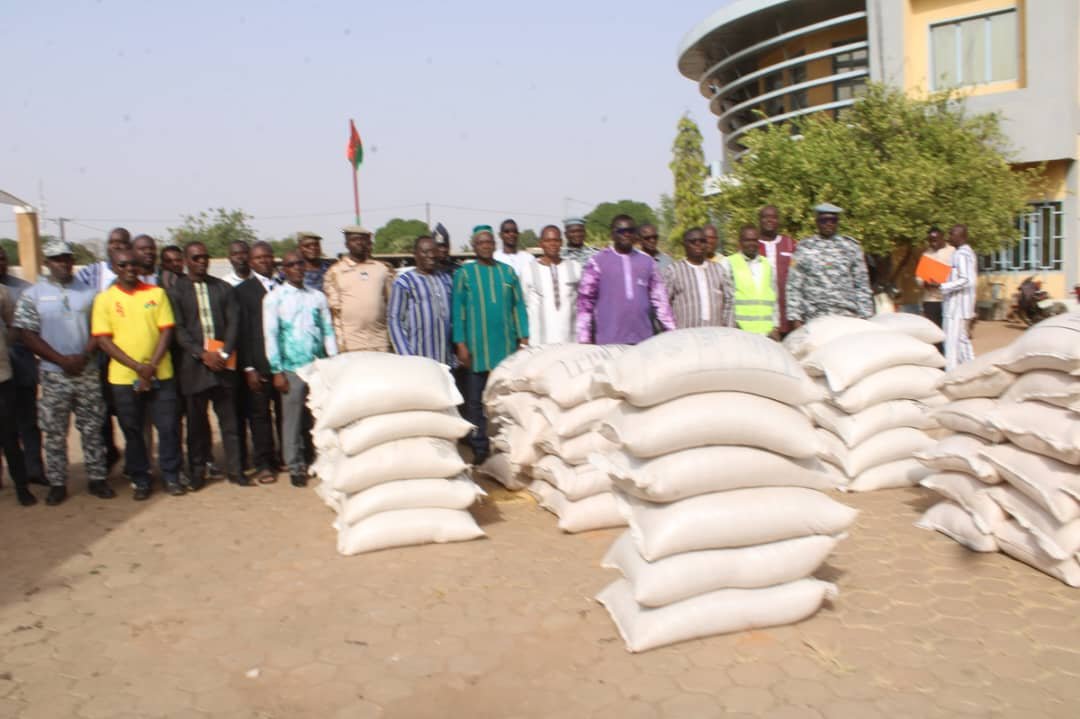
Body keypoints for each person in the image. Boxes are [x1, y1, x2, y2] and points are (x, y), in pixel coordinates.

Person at [13, 238, 112, 505]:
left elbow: (100, 330)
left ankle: (97, 478)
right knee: (55, 431)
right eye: (57, 259)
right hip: (53, 374)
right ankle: (58, 483)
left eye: (67, 258)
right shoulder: (33, 295)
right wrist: (59, 359)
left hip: (86, 372)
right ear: (47, 263)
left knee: (92, 428)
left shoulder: (90, 293)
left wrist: (83, 356)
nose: (63, 263)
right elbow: (27, 334)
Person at [91, 248, 181, 500]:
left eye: (134, 264)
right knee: (133, 430)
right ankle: (141, 478)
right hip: (123, 378)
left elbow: (166, 331)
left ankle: (172, 476)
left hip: (161, 374)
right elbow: (103, 340)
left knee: (168, 427)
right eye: (123, 265)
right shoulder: (104, 299)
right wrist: (138, 367)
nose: (130, 268)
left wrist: (150, 366)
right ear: (114, 267)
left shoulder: (156, 293)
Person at [168, 242, 246, 489]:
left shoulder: (222, 288)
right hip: (194, 367)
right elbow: (179, 330)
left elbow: (234, 323)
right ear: (186, 261)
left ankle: (236, 470)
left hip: (223, 363)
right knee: (196, 425)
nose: (202, 261)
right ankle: (198, 471)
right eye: (196, 258)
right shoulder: (176, 291)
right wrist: (202, 354)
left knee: (230, 422)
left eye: (205, 257)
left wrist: (223, 352)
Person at [453, 226, 529, 464]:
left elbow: (518, 306)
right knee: (475, 402)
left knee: (504, 399)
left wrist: (523, 337)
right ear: (474, 246)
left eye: (489, 242)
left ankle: (505, 443)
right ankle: (480, 447)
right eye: (481, 242)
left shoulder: (507, 273)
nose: (486, 246)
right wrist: (460, 344)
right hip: (476, 350)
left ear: (494, 245)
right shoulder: (465, 273)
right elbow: (458, 311)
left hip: (505, 348)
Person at [263, 250, 337, 487]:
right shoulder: (274, 298)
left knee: (318, 418)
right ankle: (295, 465)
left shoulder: (317, 296)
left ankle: (318, 460)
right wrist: (276, 371)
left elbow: (327, 330)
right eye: (291, 264)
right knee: (292, 420)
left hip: (317, 367)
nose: (297, 268)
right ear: (283, 269)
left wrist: (333, 362)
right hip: (291, 369)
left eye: (300, 264)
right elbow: (271, 335)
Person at [576, 215, 675, 345]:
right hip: (609, 340)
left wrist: (671, 332)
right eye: (622, 231)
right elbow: (585, 302)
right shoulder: (597, 261)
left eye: (631, 231)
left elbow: (661, 301)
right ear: (612, 234)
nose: (627, 234)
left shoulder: (647, 262)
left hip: (643, 340)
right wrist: (584, 338)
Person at [235, 241, 282, 484]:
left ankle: (284, 456)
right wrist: (248, 367)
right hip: (258, 364)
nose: (264, 261)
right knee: (260, 416)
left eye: (267, 256)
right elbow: (241, 332)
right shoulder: (242, 291)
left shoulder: (284, 287)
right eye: (258, 258)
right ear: (251, 262)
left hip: (283, 363)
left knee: (285, 413)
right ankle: (264, 463)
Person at [786, 203, 874, 327]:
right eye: (824, 220)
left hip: (846, 315)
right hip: (814, 316)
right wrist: (795, 317)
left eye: (833, 220)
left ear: (837, 222)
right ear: (817, 222)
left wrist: (865, 315)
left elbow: (862, 284)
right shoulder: (804, 248)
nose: (829, 224)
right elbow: (794, 285)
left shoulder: (851, 247)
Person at [0, 246, 45, 487]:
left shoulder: (24, 290)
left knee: (28, 420)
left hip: (22, 364)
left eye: (2, 258)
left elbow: (32, 328)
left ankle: (34, 469)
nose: (0, 262)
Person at [324, 225, 394, 352]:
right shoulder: (335, 271)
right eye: (354, 239)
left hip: (380, 341)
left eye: (363, 239)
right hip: (351, 343)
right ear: (346, 244)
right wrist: (340, 344)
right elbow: (334, 312)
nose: (359, 243)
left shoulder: (382, 269)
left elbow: (392, 304)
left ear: (368, 242)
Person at [388, 236, 455, 364]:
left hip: (445, 360)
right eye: (425, 252)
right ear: (415, 254)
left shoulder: (445, 279)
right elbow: (394, 320)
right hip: (418, 360)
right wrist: (407, 356)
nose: (431, 255)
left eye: (434, 251)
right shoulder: (404, 282)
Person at [0, 283, 35, 505]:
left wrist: (3, 345)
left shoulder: (2, 291)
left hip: (2, 376)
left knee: (9, 436)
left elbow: (14, 325)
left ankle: (22, 488)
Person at [662, 227, 734, 330]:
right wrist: (671, 331)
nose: (698, 244)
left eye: (702, 241)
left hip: (715, 334)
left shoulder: (718, 270)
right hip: (684, 335)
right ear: (684, 244)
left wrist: (727, 328)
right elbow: (664, 304)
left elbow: (729, 301)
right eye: (693, 241)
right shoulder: (674, 270)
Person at [523, 225, 581, 345]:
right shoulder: (528, 270)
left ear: (561, 243)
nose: (552, 244)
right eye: (548, 241)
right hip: (539, 343)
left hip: (570, 342)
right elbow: (523, 305)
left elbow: (582, 303)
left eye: (556, 240)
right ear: (541, 243)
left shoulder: (575, 267)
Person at [936, 224, 977, 371]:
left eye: (952, 234)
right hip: (956, 306)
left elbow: (966, 280)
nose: (949, 237)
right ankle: (973, 370)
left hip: (957, 308)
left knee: (952, 344)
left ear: (962, 236)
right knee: (962, 342)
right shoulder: (960, 253)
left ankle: (951, 374)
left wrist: (943, 286)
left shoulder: (962, 254)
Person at [728, 225, 781, 339]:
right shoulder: (729, 263)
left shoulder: (767, 264)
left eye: (754, 240)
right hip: (741, 334)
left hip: (767, 334)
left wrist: (775, 327)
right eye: (747, 240)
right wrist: (732, 327)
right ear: (740, 242)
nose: (751, 244)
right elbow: (727, 301)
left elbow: (774, 298)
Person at [757, 205, 797, 334]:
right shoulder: (751, 245)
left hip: (788, 317)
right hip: (761, 316)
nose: (769, 220)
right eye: (765, 217)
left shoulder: (790, 244)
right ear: (759, 220)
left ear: (778, 220)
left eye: (773, 217)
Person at [915, 227, 953, 355]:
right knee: (934, 332)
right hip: (930, 299)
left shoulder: (953, 252)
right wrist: (924, 283)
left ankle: (950, 358)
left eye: (935, 240)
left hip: (947, 298)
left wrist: (942, 283)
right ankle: (939, 358)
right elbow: (919, 277)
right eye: (930, 240)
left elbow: (957, 276)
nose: (933, 243)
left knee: (948, 331)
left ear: (942, 238)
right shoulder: (926, 255)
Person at [77, 227, 132, 291]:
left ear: (130, 246)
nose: (115, 246)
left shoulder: (135, 272)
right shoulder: (91, 271)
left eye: (120, 242)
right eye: (111, 242)